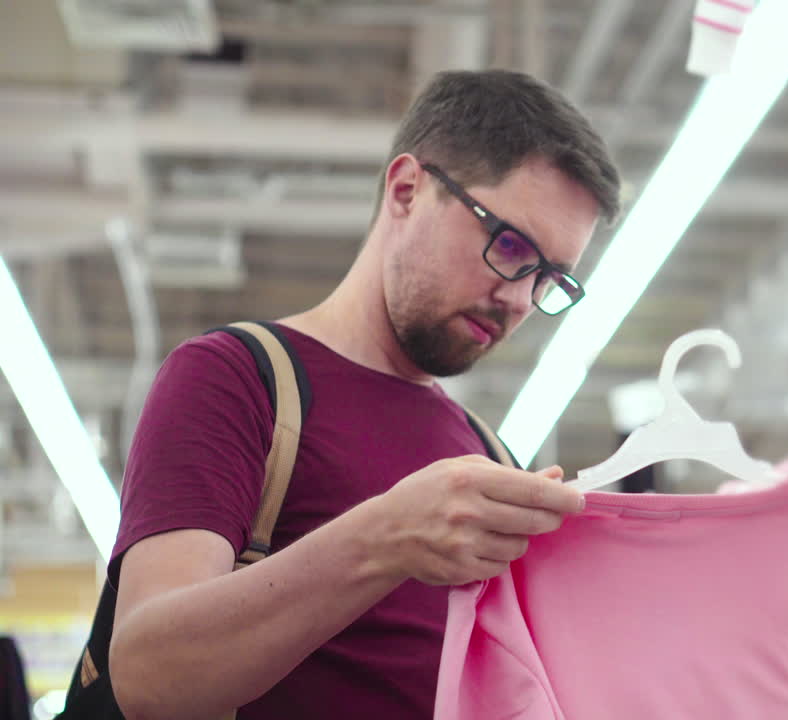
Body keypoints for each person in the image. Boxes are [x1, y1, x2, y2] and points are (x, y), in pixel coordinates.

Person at [106, 69, 622, 720]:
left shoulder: (490, 462)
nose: (519, 297)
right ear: (407, 189)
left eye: (550, 279)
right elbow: (150, 676)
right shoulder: (237, 378)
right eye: (510, 245)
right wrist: (387, 536)